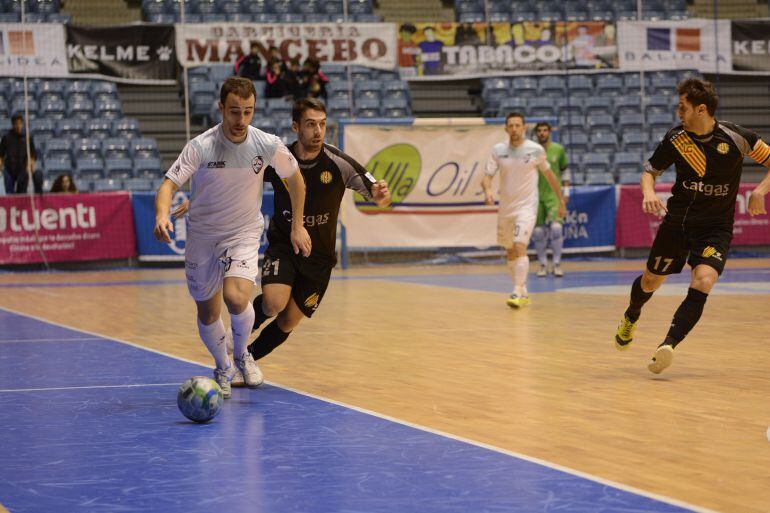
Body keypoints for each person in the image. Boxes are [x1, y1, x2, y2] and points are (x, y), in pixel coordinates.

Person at [153, 77, 311, 399]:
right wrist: (161, 214)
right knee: (208, 313)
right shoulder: (201, 146)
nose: (241, 120)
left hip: (243, 232)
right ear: (221, 108)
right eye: (235, 112)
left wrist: (297, 225)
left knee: (237, 298)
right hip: (202, 235)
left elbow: (297, 182)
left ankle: (242, 355)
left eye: (248, 112)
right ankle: (222, 364)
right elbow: (169, 184)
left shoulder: (266, 144)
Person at [614, 78, 770, 374]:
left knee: (704, 281)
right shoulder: (676, 139)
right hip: (677, 225)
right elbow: (650, 172)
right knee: (650, 283)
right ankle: (631, 315)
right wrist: (648, 192)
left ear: (701, 109)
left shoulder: (736, 137)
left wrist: (760, 191)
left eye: (682, 108)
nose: (678, 113)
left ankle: (668, 345)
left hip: (716, 229)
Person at [246, 97, 391, 363]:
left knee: (288, 320)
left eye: (322, 124)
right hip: (285, 246)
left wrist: (381, 195)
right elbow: (241, 179)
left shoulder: (337, 162)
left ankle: (247, 359)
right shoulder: (280, 159)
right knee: (273, 303)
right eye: (311, 125)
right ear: (295, 127)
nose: (318, 131)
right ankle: (238, 333)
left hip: (320, 258)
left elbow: (377, 194)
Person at [482, 112, 566, 308]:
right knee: (510, 251)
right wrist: (487, 190)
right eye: (510, 126)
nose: (514, 129)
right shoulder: (498, 150)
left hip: (526, 208)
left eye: (517, 125)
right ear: (506, 129)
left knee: (520, 246)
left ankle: (517, 291)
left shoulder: (535, 150)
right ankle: (522, 288)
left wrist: (561, 201)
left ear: (524, 127)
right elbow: (487, 176)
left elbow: (550, 176)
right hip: (506, 209)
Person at [532, 122, 571, 277]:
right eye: (539, 131)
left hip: (554, 195)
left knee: (556, 228)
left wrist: (566, 191)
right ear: (536, 133)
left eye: (545, 130)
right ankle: (542, 264)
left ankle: (556, 264)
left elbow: (565, 170)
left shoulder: (558, 149)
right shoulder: (531, 151)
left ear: (550, 132)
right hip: (535, 195)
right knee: (538, 231)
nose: (542, 133)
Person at [0, 113, 40, 194]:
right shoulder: (6, 137)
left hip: (23, 169)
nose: (18, 126)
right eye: (16, 124)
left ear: (22, 124)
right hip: (9, 169)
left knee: (22, 192)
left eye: (20, 123)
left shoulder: (28, 137)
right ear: (13, 124)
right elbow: (1, 154)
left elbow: (33, 154)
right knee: (9, 192)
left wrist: (31, 163)